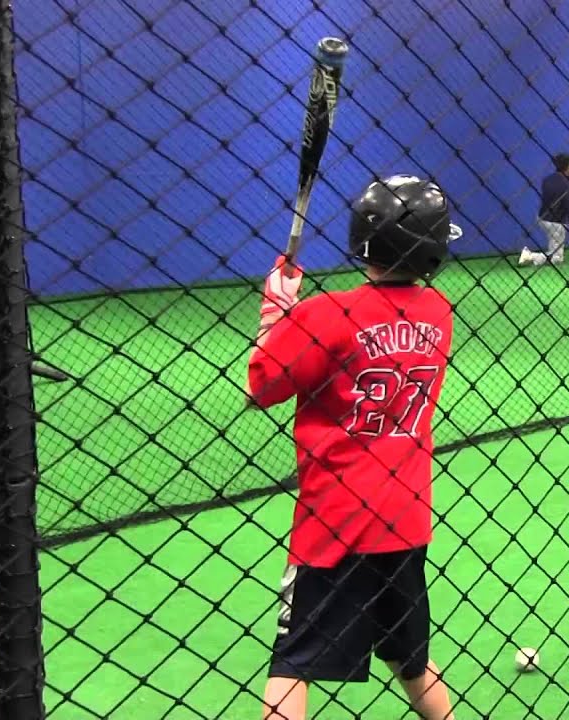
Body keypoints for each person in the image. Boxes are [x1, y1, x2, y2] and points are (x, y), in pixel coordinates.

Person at [248, 174, 461, 720]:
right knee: (412, 660)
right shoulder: (439, 312)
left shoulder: (326, 314)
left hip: (335, 523)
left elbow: (264, 387)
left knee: (292, 664)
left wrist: (276, 316)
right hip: (406, 519)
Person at [519, 152, 569, 266]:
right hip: (556, 224)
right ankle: (529, 255)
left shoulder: (547, 179)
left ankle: (535, 256)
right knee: (557, 257)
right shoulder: (567, 184)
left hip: (542, 218)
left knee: (555, 248)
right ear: (567, 165)